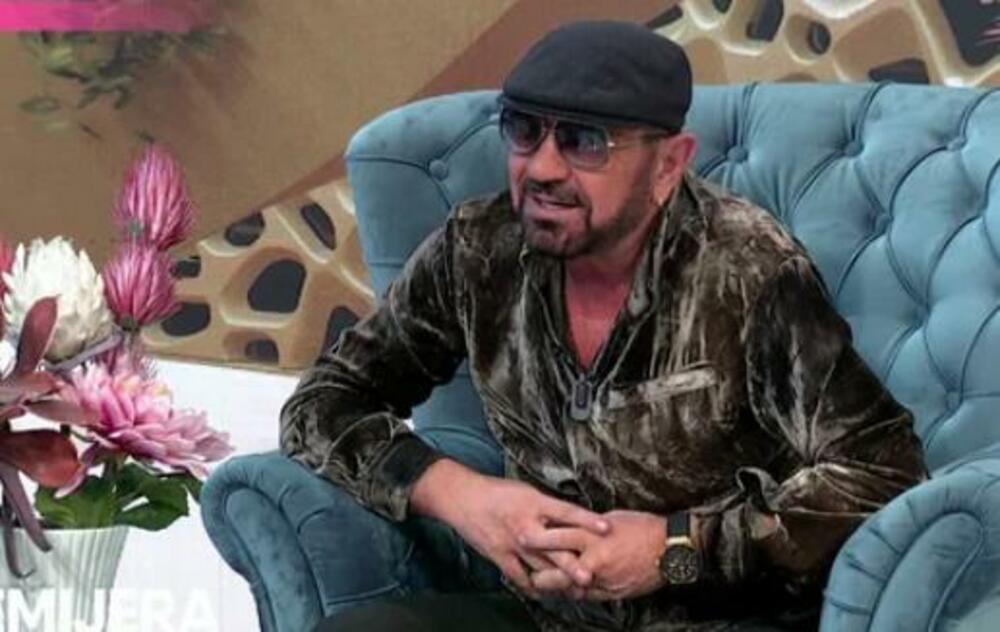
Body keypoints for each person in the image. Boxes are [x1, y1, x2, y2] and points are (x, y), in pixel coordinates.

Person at [281, 20, 927, 632]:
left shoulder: (748, 271)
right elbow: (323, 403)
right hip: (548, 617)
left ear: (668, 164)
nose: (541, 168)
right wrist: (458, 494)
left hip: (720, 618)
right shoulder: (478, 251)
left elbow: (881, 473)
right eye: (524, 130)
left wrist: (675, 549)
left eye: (585, 142)